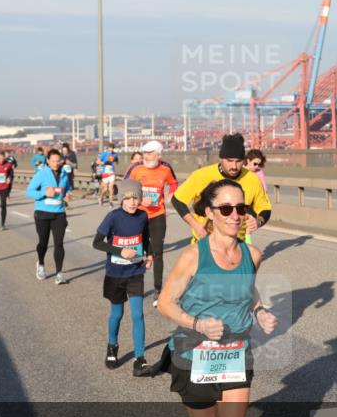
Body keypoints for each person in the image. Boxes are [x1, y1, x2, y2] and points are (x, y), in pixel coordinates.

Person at [157, 179, 277, 417]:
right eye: (226, 208)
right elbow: (165, 302)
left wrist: (260, 311)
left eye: (241, 208)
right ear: (209, 214)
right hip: (194, 353)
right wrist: (197, 323)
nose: (235, 215)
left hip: (236, 353)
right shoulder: (194, 255)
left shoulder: (253, 254)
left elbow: (247, 290)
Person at [94, 178, 153, 376]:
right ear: (121, 199)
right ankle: (112, 347)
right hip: (115, 273)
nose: (132, 202)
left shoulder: (143, 216)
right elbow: (97, 243)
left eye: (136, 198)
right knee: (117, 314)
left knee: (138, 314)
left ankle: (140, 358)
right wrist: (119, 251)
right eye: (128, 198)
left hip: (135, 271)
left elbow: (146, 238)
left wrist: (150, 254)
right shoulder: (113, 217)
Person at [172, 133, 272, 244]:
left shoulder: (252, 179)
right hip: (205, 243)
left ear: (244, 160)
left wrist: (258, 222)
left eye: (238, 161)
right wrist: (195, 225)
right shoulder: (201, 175)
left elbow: (265, 208)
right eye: (229, 161)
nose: (234, 166)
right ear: (221, 158)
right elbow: (177, 200)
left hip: (237, 246)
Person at [125, 140, 179, 307]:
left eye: (149, 153)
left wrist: (171, 194)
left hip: (158, 215)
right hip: (138, 214)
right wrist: (140, 199)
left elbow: (174, 183)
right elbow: (125, 187)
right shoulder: (136, 168)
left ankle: (158, 289)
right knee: (138, 251)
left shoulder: (166, 168)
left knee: (158, 253)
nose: (145, 156)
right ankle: (137, 287)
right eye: (144, 153)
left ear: (158, 154)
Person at [28, 149, 72, 283]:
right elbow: (29, 191)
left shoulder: (65, 173)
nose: (56, 163)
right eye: (53, 161)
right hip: (42, 213)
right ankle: (40, 264)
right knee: (43, 243)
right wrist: (44, 193)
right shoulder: (41, 173)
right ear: (48, 161)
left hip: (59, 213)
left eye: (58, 161)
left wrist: (67, 195)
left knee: (59, 243)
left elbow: (67, 188)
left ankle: (59, 274)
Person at [243, 149, 268, 244]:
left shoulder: (259, 173)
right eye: (255, 164)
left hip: (250, 204)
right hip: (238, 203)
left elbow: (264, 189)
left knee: (249, 228)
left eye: (259, 164)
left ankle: (247, 249)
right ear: (248, 160)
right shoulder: (240, 170)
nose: (257, 167)